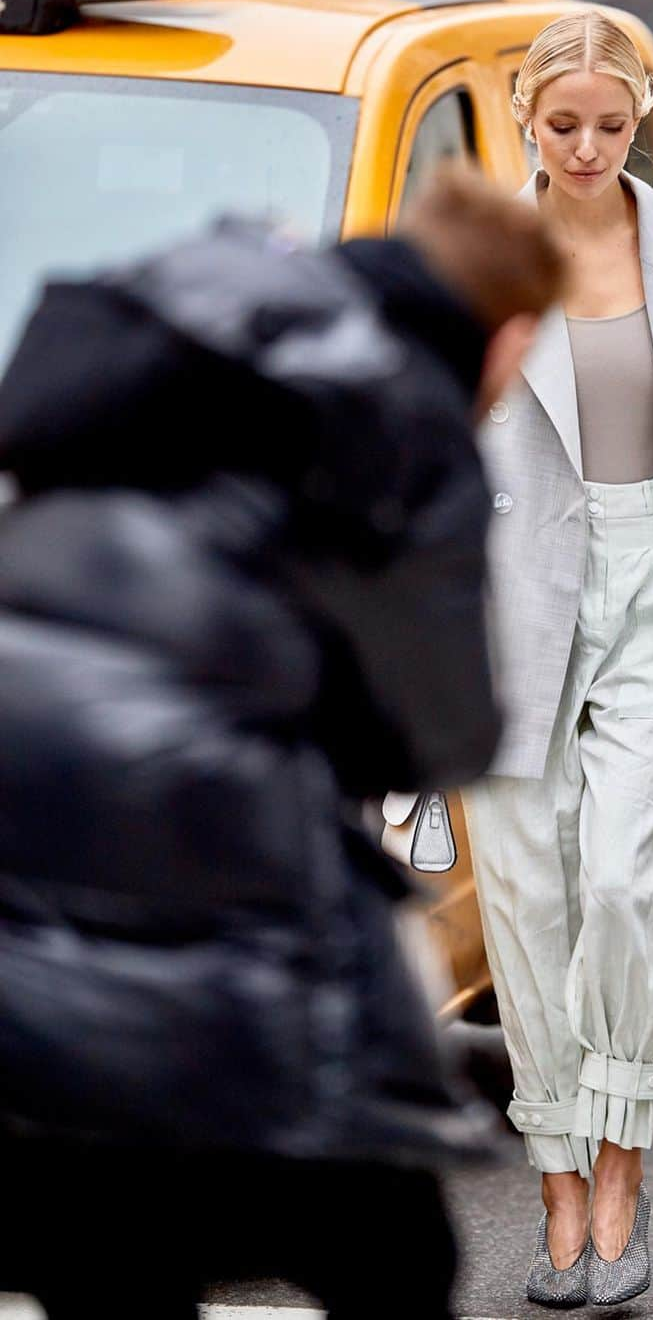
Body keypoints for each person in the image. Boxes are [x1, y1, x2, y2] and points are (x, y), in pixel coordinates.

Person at [0, 166, 564, 1320]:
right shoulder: (405, 406)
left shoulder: (189, 319)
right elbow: (436, 736)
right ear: (507, 339)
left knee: (95, 1233)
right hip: (199, 817)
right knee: (392, 1252)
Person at [456, 12, 653, 1307]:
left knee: (632, 886)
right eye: (563, 123)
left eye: (611, 122)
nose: (588, 146)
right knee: (530, 897)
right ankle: (559, 1184)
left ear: (639, 112)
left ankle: (625, 1165)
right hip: (506, 584)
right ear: (527, 116)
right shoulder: (477, 251)